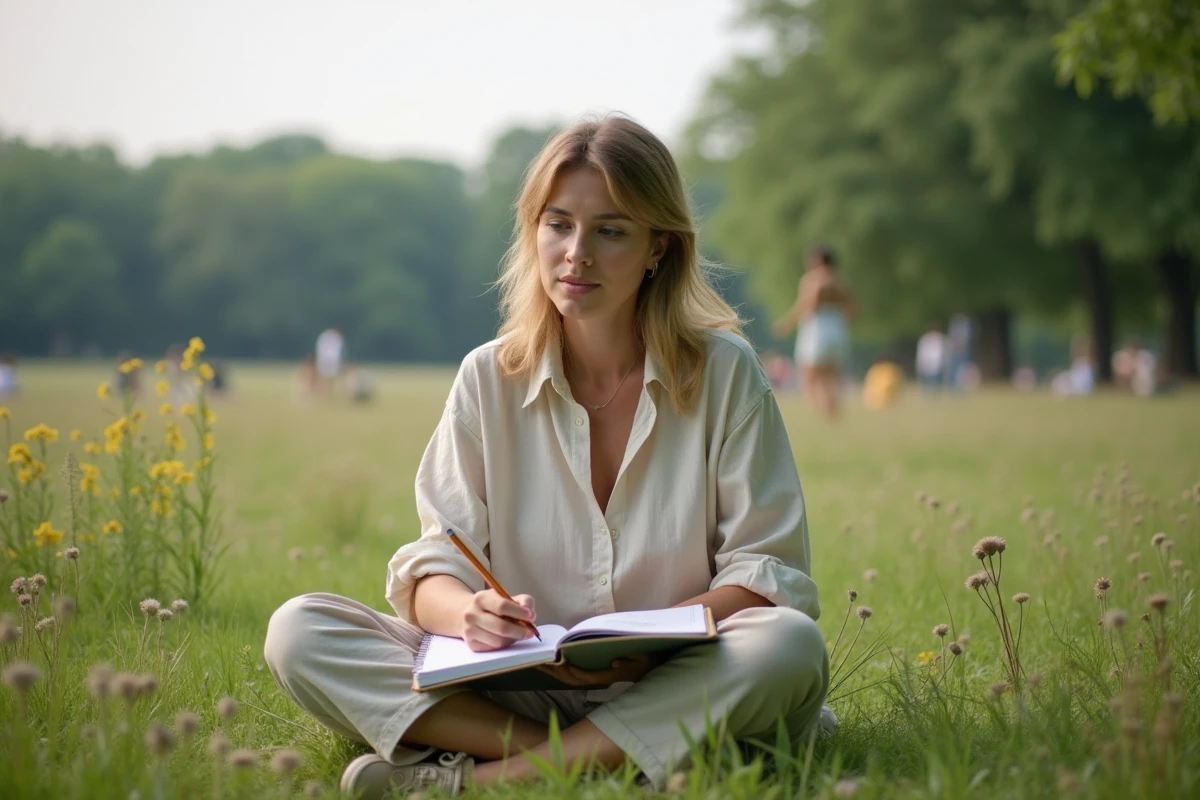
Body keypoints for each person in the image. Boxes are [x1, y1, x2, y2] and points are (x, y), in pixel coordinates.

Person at [263, 115, 832, 799]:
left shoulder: (724, 372)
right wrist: (466, 615)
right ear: (533, 232)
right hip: (517, 687)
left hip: (682, 675)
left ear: (659, 246)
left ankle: (482, 781)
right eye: (557, 224)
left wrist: (649, 642)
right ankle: (616, 759)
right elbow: (434, 568)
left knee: (787, 645)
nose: (577, 253)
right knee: (299, 631)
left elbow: (767, 575)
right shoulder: (487, 378)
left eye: (611, 231)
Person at [772, 245, 856, 420]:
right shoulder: (840, 281)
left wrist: (787, 324)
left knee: (807, 375)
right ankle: (834, 415)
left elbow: (806, 305)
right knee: (830, 375)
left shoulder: (813, 280)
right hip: (837, 326)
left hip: (817, 328)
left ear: (817, 260)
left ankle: (821, 413)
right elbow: (853, 310)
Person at [914, 324, 946, 394]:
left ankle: (934, 395)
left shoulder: (941, 339)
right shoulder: (925, 339)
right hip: (927, 364)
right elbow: (922, 353)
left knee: (936, 383)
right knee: (927, 383)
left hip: (937, 364)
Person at [315, 325, 345, 397]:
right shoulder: (337, 338)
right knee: (329, 377)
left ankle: (324, 392)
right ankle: (326, 392)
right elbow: (338, 351)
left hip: (324, 359)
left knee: (325, 377)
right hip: (332, 360)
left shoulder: (324, 336)